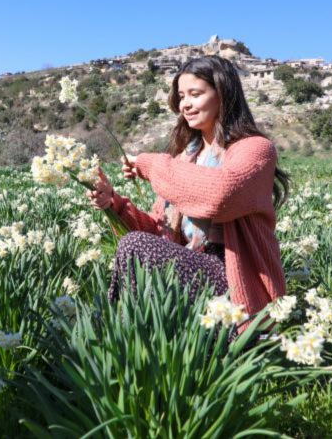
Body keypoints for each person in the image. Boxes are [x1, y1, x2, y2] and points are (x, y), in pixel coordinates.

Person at [86, 56, 290, 329]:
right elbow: (157, 232)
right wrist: (114, 203)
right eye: (181, 96)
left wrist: (152, 164)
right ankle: (132, 343)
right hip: (190, 267)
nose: (185, 104)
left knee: (134, 246)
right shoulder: (186, 158)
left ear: (223, 94)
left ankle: (121, 339)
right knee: (135, 243)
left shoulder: (255, 149)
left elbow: (221, 196)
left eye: (195, 94)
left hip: (231, 277)